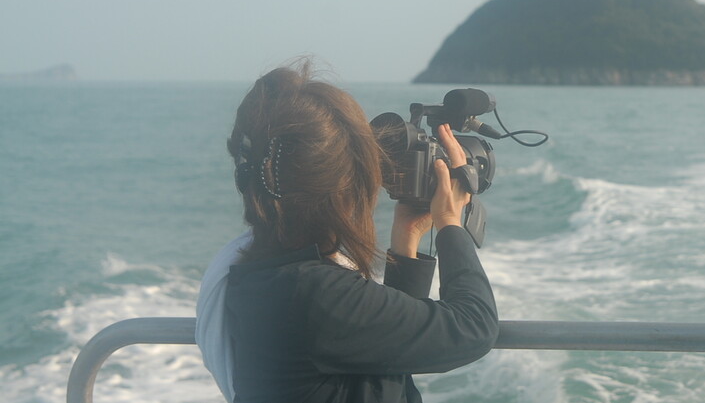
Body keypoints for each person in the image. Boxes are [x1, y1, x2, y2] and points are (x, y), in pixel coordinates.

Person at [196, 64, 499, 403]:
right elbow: (474, 327)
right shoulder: (315, 293)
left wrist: (406, 238)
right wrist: (449, 222)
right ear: (345, 186)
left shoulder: (263, 275)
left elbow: (388, 344)